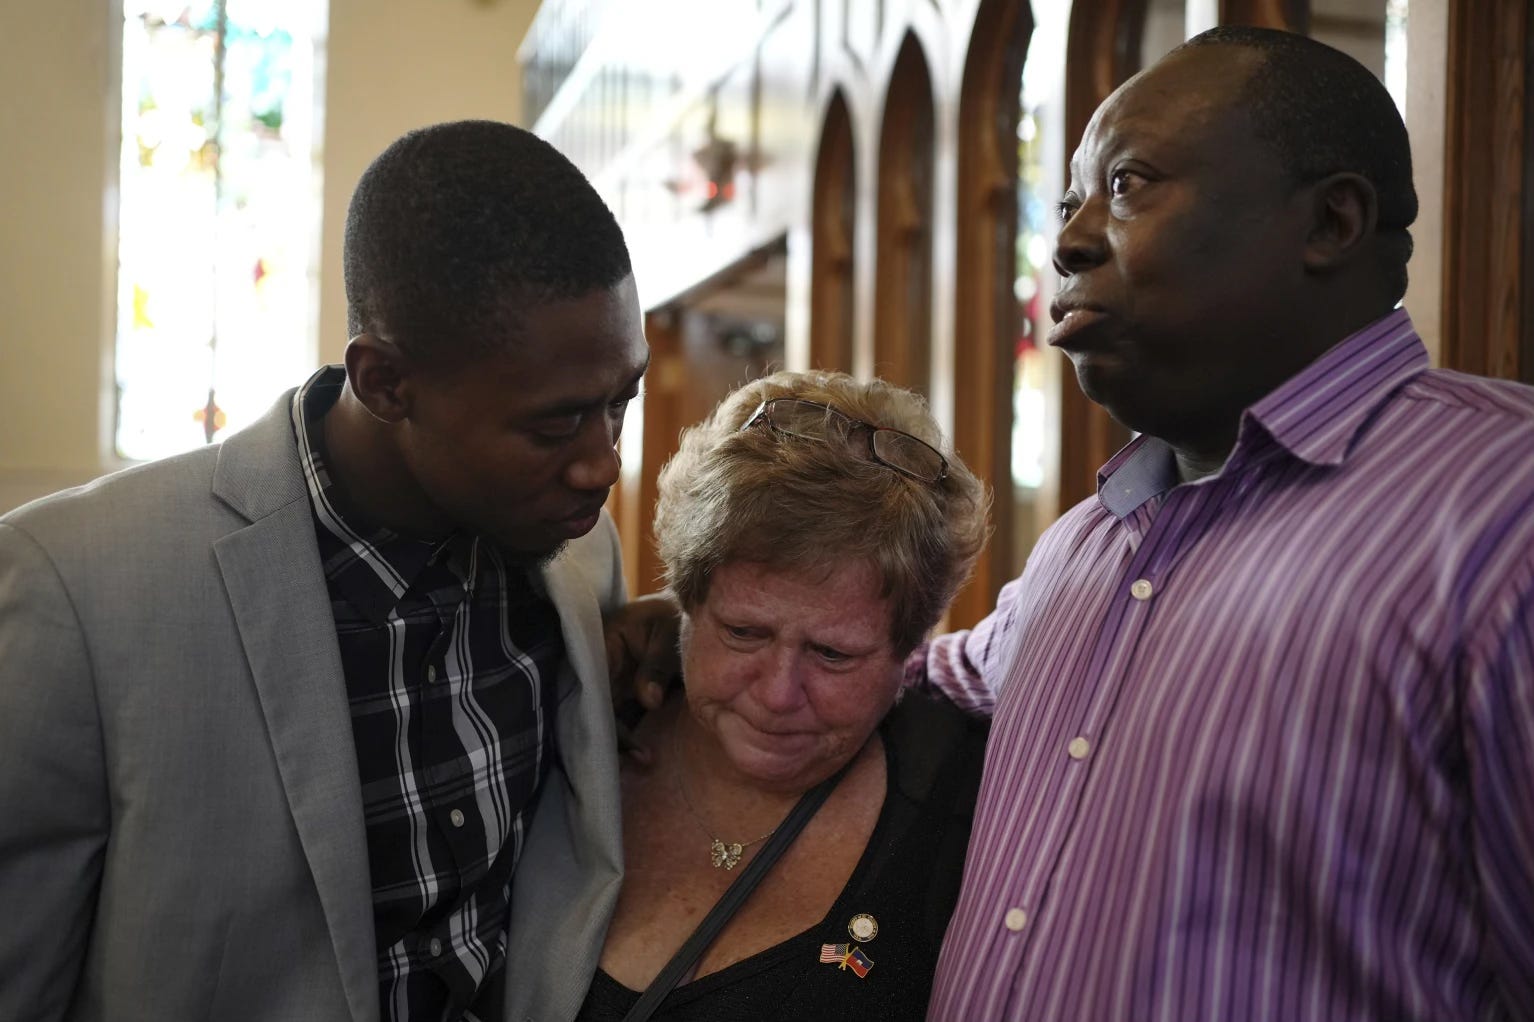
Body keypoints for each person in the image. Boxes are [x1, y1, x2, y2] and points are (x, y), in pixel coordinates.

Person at [607, 27, 1534, 1022]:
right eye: (1066, 204)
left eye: (1128, 186)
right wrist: (688, 624)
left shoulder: (1498, 513)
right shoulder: (1090, 544)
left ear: (1331, 221)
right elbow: (908, 663)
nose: (1068, 242)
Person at [0, 120, 647, 1021]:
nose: (602, 463)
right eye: (554, 425)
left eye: (622, 402)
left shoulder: (577, 551)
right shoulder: (78, 588)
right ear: (386, 383)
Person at [578, 371, 990, 1021]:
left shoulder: (973, 808)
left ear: (909, 647)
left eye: (833, 654)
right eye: (743, 633)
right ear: (685, 600)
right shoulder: (576, 730)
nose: (777, 695)